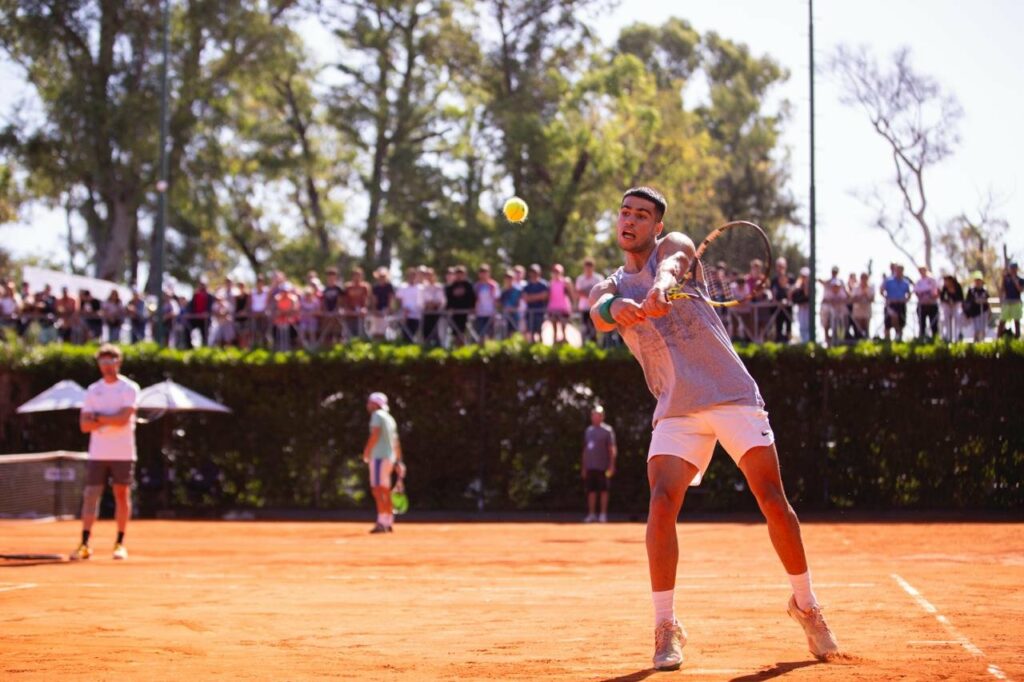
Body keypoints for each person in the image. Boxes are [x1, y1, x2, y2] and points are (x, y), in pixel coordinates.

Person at [589, 186, 840, 670]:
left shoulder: (675, 247)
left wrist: (662, 286)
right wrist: (612, 310)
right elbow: (597, 312)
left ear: (656, 226)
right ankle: (666, 627)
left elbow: (674, 263)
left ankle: (807, 605)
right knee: (661, 503)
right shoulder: (611, 283)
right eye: (625, 212)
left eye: (642, 215)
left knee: (772, 498)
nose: (631, 220)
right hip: (676, 406)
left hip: (730, 392)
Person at [71, 344, 141, 561]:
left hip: (124, 453)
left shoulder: (130, 388)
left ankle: (119, 543)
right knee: (91, 495)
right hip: (97, 453)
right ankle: (84, 543)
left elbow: (123, 420)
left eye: (110, 362)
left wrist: (98, 418)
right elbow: (84, 425)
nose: (107, 367)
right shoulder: (93, 390)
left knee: (122, 494)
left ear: (118, 363)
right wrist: (110, 418)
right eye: (103, 363)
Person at [362, 392, 405, 534]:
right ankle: (388, 520)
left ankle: (381, 522)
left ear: (375, 404)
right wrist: (399, 461)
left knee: (377, 490)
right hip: (390, 459)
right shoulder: (390, 419)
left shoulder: (377, 415)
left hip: (379, 458)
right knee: (385, 490)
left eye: (370, 402)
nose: (368, 405)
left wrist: (367, 451)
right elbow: (396, 441)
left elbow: (375, 433)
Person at [581, 405, 616, 523]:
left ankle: (603, 514)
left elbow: (612, 449)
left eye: (598, 415)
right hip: (591, 466)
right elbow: (585, 450)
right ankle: (591, 514)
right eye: (594, 415)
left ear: (602, 417)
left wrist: (611, 465)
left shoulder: (607, 431)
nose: (595, 417)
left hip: (603, 467)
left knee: (604, 491)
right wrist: (584, 467)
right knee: (591, 491)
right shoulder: (588, 431)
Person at [575, 258, 604, 343]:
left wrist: (587, 293)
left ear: (593, 267)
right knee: (584, 328)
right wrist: (592, 293)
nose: (588, 269)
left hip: (595, 308)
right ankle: (583, 345)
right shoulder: (580, 279)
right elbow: (578, 292)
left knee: (594, 328)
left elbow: (600, 291)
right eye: (586, 267)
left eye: (590, 267)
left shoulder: (598, 278)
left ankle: (594, 346)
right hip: (584, 308)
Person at [546, 263, 576, 344]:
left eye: (558, 271)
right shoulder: (550, 283)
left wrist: (574, 305)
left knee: (564, 328)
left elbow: (571, 294)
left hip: (564, 308)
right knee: (554, 329)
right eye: (554, 271)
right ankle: (555, 345)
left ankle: (564, 343)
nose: (556, 273)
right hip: (553, 308)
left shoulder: (566, 282)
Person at [881, 264, 911, 341]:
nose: (898, 272)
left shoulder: (905, 282)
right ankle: (887, 339)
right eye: (897, 270)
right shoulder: (888, 281)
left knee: (901, 322)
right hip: (891, 304)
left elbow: (909, 293)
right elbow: (881, 290)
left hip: (901, 304)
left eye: (900, 270)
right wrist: (886, 299)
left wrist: (906, 300)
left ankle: (899, 339)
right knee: (888, 322)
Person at [769, 258, 795, 343]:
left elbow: (792, 293)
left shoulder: (790, 278)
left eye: (782, 266)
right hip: (777, 308)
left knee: (788, 326)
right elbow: (772, 294)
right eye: (778, 266)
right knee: (778, 327)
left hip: (788, 308)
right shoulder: (773, 280)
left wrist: (787, 299)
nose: (780, 268)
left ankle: (789, 342)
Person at [522, 264, 549, 344]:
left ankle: (541, 347)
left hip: (540, 312)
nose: (534, 274)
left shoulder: (543, 284)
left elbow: (545, 296)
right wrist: (538, 296)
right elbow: (526, 299)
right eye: (532, 272)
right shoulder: (527, 285)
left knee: (540, 332)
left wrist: (531, 297)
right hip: (529, 313)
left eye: (536, 272)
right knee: (531, 332)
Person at [473, 264, 500, 341]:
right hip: (480, 314)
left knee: (491, 335)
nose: (483, 274)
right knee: (481, 335)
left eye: (485, 272)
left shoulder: (493, 285)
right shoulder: (477, 286)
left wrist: (495, 312)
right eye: (482, 272)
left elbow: (497, 299)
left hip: (490, 313)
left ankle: (491, 351)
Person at [997, 262, 1023, 339]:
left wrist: (1014, 280)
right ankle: (999, 338)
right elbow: (1002, 290)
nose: (1012, 270)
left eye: (1013, 268)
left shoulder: (1020, 279)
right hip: (1007, 302)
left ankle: (1017, 339)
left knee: (1016, 322)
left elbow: (1020, 290)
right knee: (1002, 320)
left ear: (1016, 269)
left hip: (1016, 303)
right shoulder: (1006, 278)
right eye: (1011, 268)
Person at [914, 266, 940, 340]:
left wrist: (931, 297)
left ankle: (935, 339)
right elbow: (916, 292)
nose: (921, 272)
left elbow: (937, 291)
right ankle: (922, 338)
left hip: (932, 305)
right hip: (922, 305)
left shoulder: (932, 280)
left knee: (934, 323)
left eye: (923, 270)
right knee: (922, 323)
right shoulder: (918, 281)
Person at [963, 271, 990, 342]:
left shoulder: (984, 290)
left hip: (983, 311)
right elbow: (968, 301)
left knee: (983, 328)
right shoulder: (971, 290)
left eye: (979, 280)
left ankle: (982, 341)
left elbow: (987, 300)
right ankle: (976, 342)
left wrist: (990, 310)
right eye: (976, 280)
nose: (978, 282)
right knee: (976, 329)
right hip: (975, 313)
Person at [939, 273, 964, 342]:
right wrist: (947, 302)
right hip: (947, 306)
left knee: (957, 319)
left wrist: (954, 301)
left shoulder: (957, 286)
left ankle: (957, 336)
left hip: (956, 305)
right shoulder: (944, 287)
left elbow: (961, 298)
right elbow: (942, 298)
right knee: (945, 320)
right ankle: (946, 337)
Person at [849, 273, 874, 340]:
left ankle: (866, 341)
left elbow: (872, 299)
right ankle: (858, 340)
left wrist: (866, 295)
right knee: (858, 327)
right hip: (857, 310)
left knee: (866, 326)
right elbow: (852, 299)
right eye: (862, 278)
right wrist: (860, 296)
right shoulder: (855, 287)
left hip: (867, 310)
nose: (864, 280)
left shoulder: (871, 287)